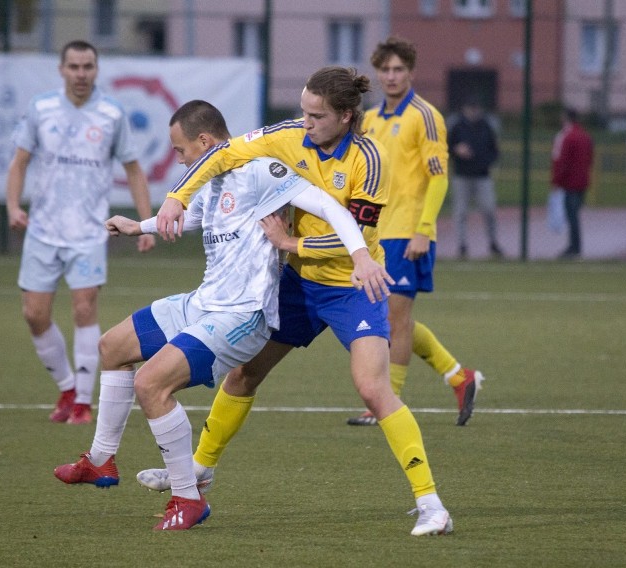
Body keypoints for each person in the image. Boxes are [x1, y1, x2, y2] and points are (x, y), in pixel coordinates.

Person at [53, 99, 391, 531]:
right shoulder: (212, 182)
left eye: (180, 150)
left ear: (205, 141)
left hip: (243, 316)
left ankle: (187, 498)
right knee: (112, 346)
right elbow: (189, 218)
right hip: (204, 303)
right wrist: (140, 226)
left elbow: (334, 210)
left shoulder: (262, 172)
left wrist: (361, 254)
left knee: (150, 384)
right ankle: (101, 460)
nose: (179, 160)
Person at [150, 67, 454, 536]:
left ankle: (431, 503)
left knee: (373, 389)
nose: (305, 122)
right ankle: (200, 469)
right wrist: (177, 196)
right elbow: (222, 154)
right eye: (304, 111)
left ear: (346, 116)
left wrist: (291, 245)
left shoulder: (369, 161)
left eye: (316, 115)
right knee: (244, 372)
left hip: (352, 288)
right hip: (294, 286)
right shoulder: (288, 134)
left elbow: (357, 241)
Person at [5, 40, 155, 425]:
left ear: (96, 70)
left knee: (85, 308)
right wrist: (13, 206)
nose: (81, 74)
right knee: (34, 315)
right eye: (74, 66)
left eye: (88, 66)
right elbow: (19, 162)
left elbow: (134, 169)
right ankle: (68, 387)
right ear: (61, 70)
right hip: (43, 231)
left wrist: (144, 223)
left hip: (90, 232)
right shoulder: (41, 108)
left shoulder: (111, 113)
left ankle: (83, 404)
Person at [348, 36, 485, 428]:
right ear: (377, 72)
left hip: (409, 233)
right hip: (374, 236)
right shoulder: (370, 119)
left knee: (394, 319)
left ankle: (384, 403)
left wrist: (424, 230)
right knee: (393, 319)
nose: (391, 76)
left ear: (410, 72)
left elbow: (439, 179)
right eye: (385, 69)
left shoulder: (426, 116)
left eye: (398, 70)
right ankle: (460, 377)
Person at [448, 98, 503, 259]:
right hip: (462, 175)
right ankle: (462, 245)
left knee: (489, 209)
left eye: (475, 108)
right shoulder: (457, 126)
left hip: (482, 176)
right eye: (470, 108)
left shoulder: (486, 126)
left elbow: (494, 150)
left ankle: (493, 243)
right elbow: (447, 147)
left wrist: (484, 162)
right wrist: (457, 151)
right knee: (460, 212)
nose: (473, 112)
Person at [551, 107, 594, 259]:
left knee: (572, 216)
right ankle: (575, 246)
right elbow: (590, 158)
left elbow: (562, 161)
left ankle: (574, 247)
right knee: (574, 214)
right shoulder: (585, 136)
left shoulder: (567, 136)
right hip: (582, 181)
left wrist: (557, 180)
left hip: (570, 182)